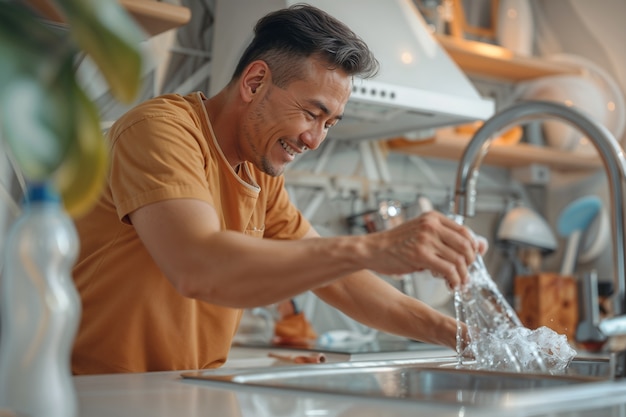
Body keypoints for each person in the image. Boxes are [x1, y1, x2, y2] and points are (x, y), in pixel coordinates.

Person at [71, 3, 484, 375]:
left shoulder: (260, 176)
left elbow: (341, 283)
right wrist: (374, 247)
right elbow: (196, 267)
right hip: (99, 393)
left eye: (329, 123)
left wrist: (467, 337)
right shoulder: (161, 130)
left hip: (184, 390)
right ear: (254, 83)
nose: (314, 140)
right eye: (311, 113)